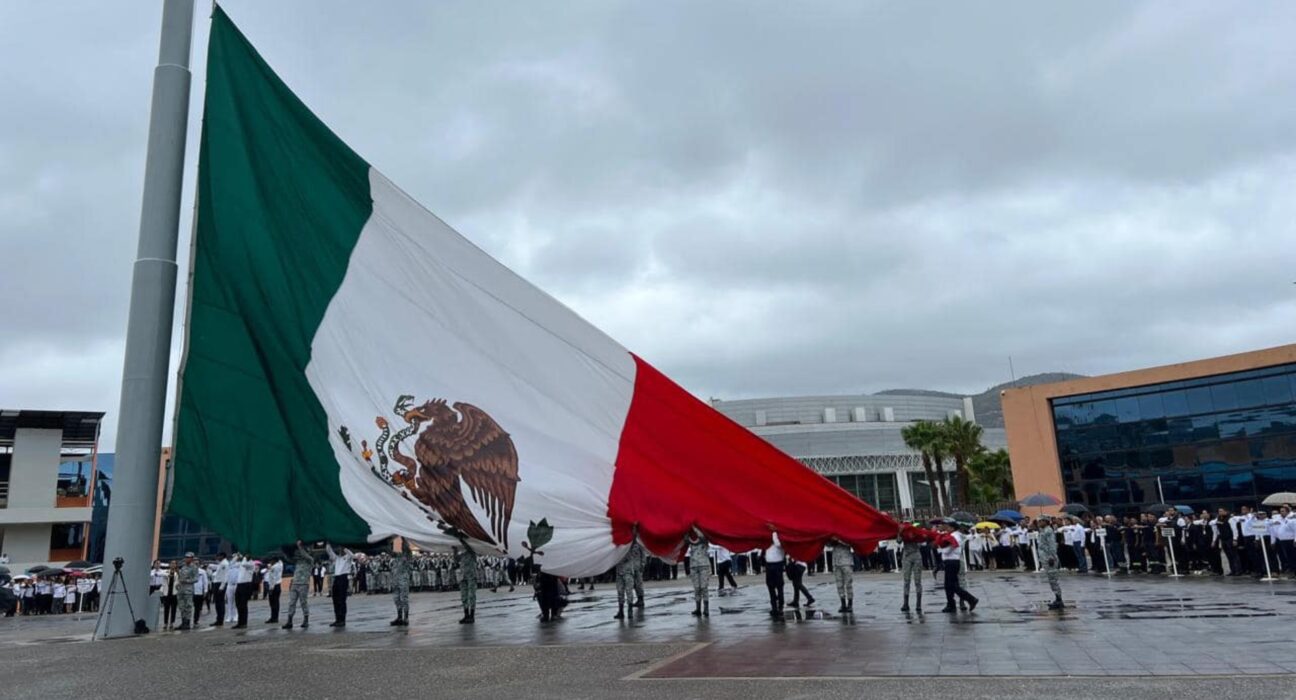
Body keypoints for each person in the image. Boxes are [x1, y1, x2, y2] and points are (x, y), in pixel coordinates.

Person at [936, 521, 978, 613]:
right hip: (950, 562)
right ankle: (951, 604)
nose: (947, 528)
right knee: (949, 585)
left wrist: (940, 548)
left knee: (952, 585)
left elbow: (948, 550)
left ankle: (971, 599)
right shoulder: (954, 535)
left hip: (952, 561)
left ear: (953, 528)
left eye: (949, 527)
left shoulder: (955, 536)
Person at [898, 522, 928, 613]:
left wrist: (915, 535)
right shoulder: (902, 532)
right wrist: (900, 532)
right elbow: (898, 541)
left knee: (917, 581)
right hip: (907, 556)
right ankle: (905, 603)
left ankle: (918, 604)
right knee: (906, 580)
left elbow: (922, 542)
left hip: (916, 556)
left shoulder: (916, 532)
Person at [1035, 516, 1064, 609]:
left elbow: (1051, 545)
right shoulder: (1043, 531)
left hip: (1049, 559)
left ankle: (1059, 600)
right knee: (1051, 580)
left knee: (1053, 579)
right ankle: (1057, 598)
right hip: (1045, 558)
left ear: (1045, 522)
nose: (1038, 523)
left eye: (1040, 521)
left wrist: (1052, 557)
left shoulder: (1048, 531)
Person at [284, 540, 313, 629]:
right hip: (295, 583)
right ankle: (289, 621)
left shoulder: (310, 560)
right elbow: (289, 559)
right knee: (291, 603)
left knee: (303, 602)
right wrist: (284, 552)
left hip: (303, 583)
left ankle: (306, 620)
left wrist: (299, 546)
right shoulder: (298, 561)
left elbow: (304, 554)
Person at [326, 543, 355, 627]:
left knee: (342, 600)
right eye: (339, 549)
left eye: (341, 549)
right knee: (335, 599)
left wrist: (344, 547)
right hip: (337, 578)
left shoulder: (348, 557)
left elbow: (353, 556)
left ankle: (342, 620)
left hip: (343, 577)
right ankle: (337, 619)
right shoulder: (337, 558)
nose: (340, 550)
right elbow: (329, 551)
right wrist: (328, 543)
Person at [685, 529, 711, 618]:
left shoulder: (704, 539)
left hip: (704, 565)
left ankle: (706, 609)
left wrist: (694, 527)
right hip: (694, 566)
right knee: (696, 588)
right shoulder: (691, 540)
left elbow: (701, 536)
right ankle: (698, 609)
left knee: (704, 587)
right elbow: (685, 539)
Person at [390, 539, 412, 626]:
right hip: (395, 580)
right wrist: (392, 542)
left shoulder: (407, 556)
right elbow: (391, 551)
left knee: (404, 599)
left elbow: (406, 547)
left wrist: (401, 537)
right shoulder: (395, 558)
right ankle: (399, 617)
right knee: (396, 599)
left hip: (403, 580)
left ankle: (406, 618)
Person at [764, 531, 786, 618]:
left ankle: (780, 607)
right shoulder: (767, 544)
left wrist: (774, 533)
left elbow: (778, 544)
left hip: (778, 565)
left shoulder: (781, 540)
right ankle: (774, 608)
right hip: (769, 565)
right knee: (770, 587)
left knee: (779, 587)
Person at [613, 540, 637, 620]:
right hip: (619, 572)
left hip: (628, 572)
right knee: (620, 592)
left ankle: (630, 610)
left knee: (629, 591)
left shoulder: (630, 546)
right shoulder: (618, 547)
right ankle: (621, 611)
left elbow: (631, 555)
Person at [455, 544, 478, 624]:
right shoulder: (462, 554)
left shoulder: (472, 552)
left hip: (471, 576)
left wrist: (460, 539)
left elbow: (469, 547)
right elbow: (456, 559)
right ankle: (466, 615)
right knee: (464, 596)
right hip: (463, 576)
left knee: (471, 596)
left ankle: (472, 616)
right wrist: (455, 550)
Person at [830, 539, 855, 613]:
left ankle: (850, 604)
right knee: (839, 584)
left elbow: (851, 542)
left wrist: (839, 540)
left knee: (848, 584)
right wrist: (831, 541)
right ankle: (843, 603)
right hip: (836, 561)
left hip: (846, 561)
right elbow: (828, 544)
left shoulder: (845, 533)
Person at [232, 553, 255, 629]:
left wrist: (244, 557)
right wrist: (237, 557)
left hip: (246, 585)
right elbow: (232, 564)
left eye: (247, 555)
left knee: (243, 604)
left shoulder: (251, 564)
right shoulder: (242, 563)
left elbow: (244, 564)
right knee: (238, 603)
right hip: (240, 585)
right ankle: (240, 622)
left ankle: (244, 623)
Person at [176, 552, 198, 630]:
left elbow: (196, 579)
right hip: (181, 589)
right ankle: (183, 622)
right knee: (181, 606)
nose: (186, 559)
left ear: (192, 558)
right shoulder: (183, 567)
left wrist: (187, 581)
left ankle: (187, 623)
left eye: (188, 557)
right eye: (186, 557)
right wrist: (178, 583)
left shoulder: (194, 567)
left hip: (188, 589)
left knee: (188, 606)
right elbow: (180, 577)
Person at [264, 556, 283, 624]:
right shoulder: (280, 565)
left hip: (273, 586)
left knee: (272, 603)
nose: (270, 562)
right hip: (278, 585)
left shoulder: (273, 567)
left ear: (274, 561)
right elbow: (280, 561)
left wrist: (271, 588)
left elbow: (272, 579)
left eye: (271, 561)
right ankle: (275, 617)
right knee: (276, 603)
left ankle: (273, 618)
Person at [160, 563, 178, 629]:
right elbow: (161, 574)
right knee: (166, 609)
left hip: (174, 592)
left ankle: (172, 622)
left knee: (173, 609)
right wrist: (168, 575)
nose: (173, 565)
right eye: (172, 564)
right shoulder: (166, 571)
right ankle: (165, 623)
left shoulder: (177, 573)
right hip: (167, 593)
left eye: (174, 564)